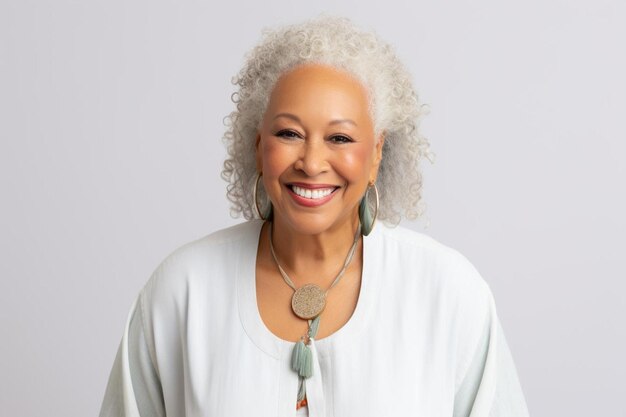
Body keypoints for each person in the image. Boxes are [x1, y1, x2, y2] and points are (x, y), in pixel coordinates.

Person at [99, 16, 530, 417]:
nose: (312, 161)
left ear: (376, 153)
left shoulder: (448, 293)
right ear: (258, 146)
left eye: (339, 137)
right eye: (289, 133)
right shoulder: (181, 290)